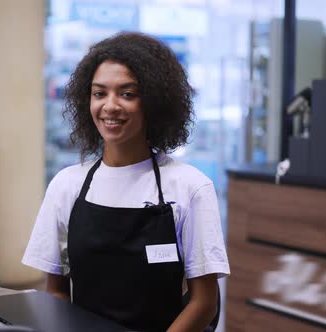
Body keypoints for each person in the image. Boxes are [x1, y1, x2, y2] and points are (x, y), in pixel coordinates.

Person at [22, 32, 229, 332]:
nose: (110, 106)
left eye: (127, 94)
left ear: (154, 101)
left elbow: (204, 302)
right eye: (99, 93)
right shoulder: (66, 185)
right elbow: (55, 290)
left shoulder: (190, 187)